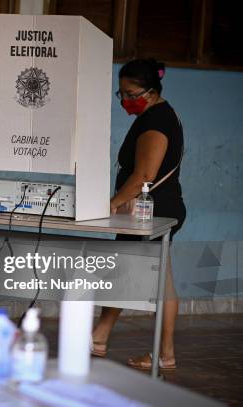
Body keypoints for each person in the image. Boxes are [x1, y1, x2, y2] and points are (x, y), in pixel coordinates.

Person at [92, 59, 185, 370]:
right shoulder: (156, 115)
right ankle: (161, 353)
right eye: (121, 94)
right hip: (155, 210)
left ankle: (100, 338)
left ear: (151, 91)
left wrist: (112, 203)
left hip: (149, 212)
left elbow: (144, 174)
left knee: (127, 274)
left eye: (130, 93)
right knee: (152, 279)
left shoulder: (156, 122)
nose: (125, 100)